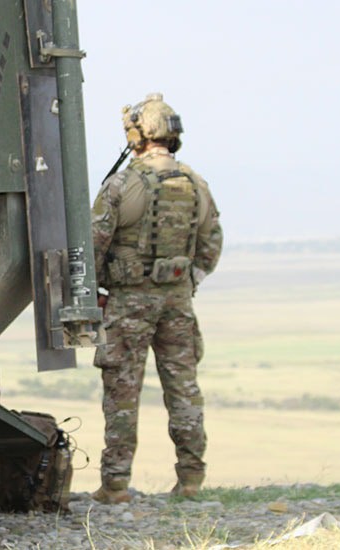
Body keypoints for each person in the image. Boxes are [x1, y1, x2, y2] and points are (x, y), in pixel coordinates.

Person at [90, 93, 223, 503]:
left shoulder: (121, 185)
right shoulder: (195, 184)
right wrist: (186, 282)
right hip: (177, 303)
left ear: (137, 136)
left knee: (122, 393)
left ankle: (115, 485)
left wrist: (97, 290)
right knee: (183, 388)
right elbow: (211, 244)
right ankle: (191, 480)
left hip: (129, 303)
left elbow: (93, 244)